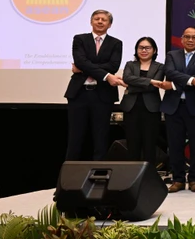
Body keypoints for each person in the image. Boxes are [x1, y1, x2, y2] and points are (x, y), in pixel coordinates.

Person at [155, 26, 195, 193]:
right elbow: (170, 72)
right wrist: (191, 81)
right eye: (187, 36)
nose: (190, 40)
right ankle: (178, 179)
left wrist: (180, 82)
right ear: (182, 39)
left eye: (194, 37)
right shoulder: (172, 55)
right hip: (174, 107)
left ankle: (194, 179)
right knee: (175, 145)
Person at [65, 9, 124, 161]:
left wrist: (84, 68)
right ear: (91, 22)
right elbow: (80, 61)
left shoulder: (116, 43)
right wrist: (104, 75)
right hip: (79, 94)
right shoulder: (80, 39)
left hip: (102, 95)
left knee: (101, 136)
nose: (100, 21)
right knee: (75, 136)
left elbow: (113, 66)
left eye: (104, 19)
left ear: (109, 24)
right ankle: (70, 176)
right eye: (96, 18)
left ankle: (97, 174)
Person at [120, 37, 165, 166]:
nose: (144, 50)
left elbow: (152, 88)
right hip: (131, 108)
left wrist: (132, 86)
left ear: (154, 50)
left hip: (151, 109)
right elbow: (127, 78)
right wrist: (150, 81)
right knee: (132, 144)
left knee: (149, 144)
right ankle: (132, 178)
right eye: (141, 47)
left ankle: (149, 177)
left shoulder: (160, 67)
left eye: (147, 48)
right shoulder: (130, 64)